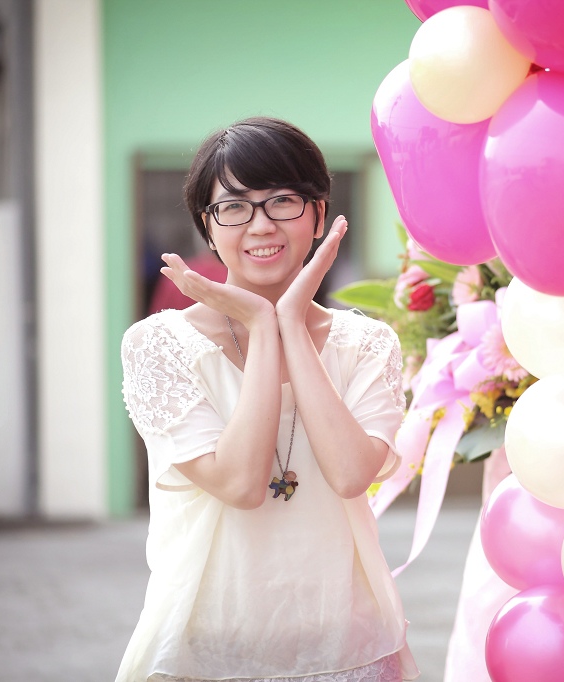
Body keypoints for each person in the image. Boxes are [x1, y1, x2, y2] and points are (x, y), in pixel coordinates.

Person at [117, 116, 418, 682]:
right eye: (233, 207)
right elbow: (239, 484)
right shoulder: (159, 345)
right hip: (209, 648)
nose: (260, 225)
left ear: (319, 214)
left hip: (347, 643)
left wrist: (289, 325)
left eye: (283, 201)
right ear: (207, 229)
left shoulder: (367, 343)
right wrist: (260, 321)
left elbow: (351, 474)